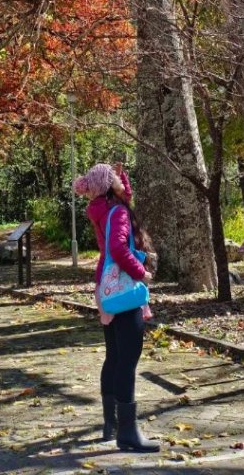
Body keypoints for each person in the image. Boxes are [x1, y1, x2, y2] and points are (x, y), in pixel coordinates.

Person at [73, 162, 160, 454]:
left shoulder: (99, 207)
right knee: (128, 358)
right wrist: (141, 273)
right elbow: (119, 249)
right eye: (117, 179)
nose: (124, 184)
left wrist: (119, 177)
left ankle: (110, 424)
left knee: (113, 356)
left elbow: (125, 195)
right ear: (110, 186)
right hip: (123, 287)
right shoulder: (118, 212)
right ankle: (128, 433)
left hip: (105, 286)